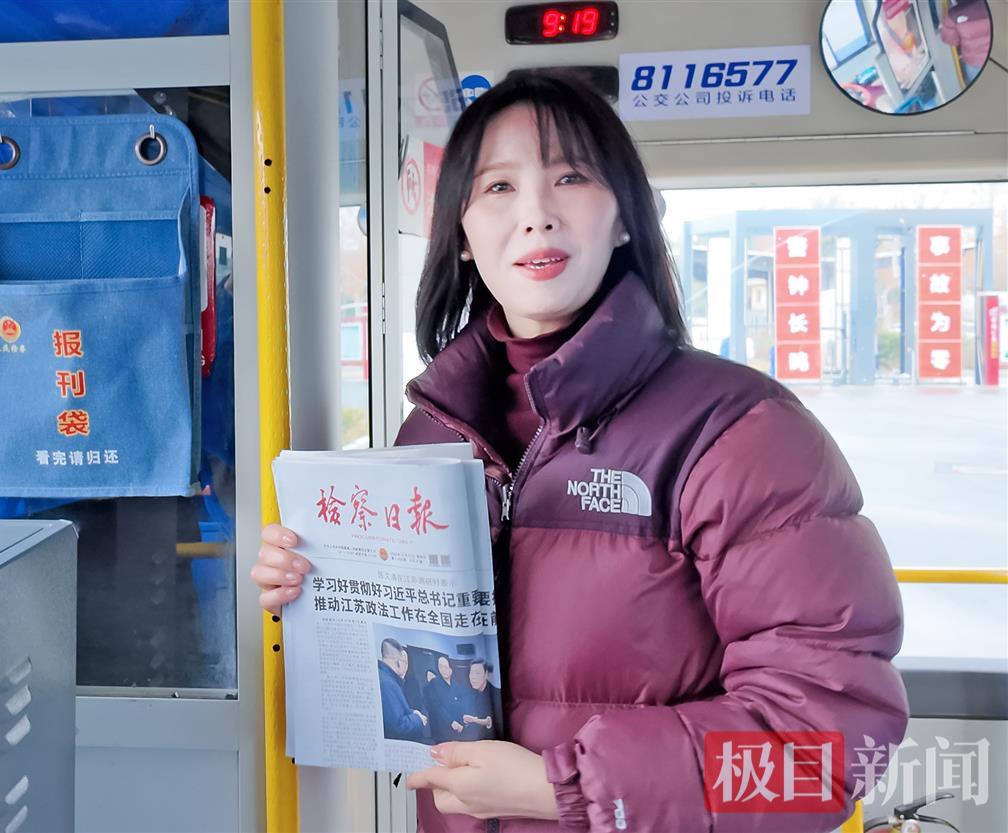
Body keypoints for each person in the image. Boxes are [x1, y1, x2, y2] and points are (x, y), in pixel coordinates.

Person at [253, 69, 907, 832]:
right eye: (499, 187)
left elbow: (824, 748)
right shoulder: (431, 433)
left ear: (624, 217)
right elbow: (409, 688)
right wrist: (322, 588)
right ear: (461, 234)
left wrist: (558, 788)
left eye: (570, 177)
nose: (536, 215)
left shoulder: (740, 433)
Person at [377, 638, 429, 742]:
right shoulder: (387, 684)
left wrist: (413, 712)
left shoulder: (383, 677)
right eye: (406, 662)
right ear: (400, 662)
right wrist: (418, 719)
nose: (406, 667)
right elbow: (397, 726)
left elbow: (394, 712)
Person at [423, 655, 467, 743]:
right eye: (440, 666)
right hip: (442, 730)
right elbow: (437, 706)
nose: (443, 670)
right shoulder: (434, 683)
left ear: (451, 668)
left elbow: (462, 705)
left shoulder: (457, 685)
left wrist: (462, 723)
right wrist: (451, 722)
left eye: (445, 667)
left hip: (459, 729)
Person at [459, 659, 500, 742]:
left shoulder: (496, 694)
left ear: (486, 675)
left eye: (477, 673)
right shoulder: (468, 694)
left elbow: (492, 722)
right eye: (471, 673)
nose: (473, 677)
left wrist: (474, 720)